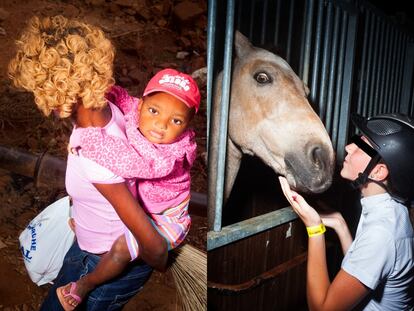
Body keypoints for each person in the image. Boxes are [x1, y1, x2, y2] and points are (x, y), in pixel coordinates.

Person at [8, 15, 168, 310]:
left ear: (56, 91)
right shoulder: (109, 108)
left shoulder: (94, 156)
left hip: (102, 264)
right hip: (88, 243)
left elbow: (156, 248)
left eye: (38, 89)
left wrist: (93, 278)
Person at [56, 68, 200, 309]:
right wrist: (96, 88)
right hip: (146, 205)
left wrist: (89, 138)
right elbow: (121, 96)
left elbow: (127, 161)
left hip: (166, 216)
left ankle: (86, 284)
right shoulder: (134, 108)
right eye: (154, 111)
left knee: (122, 248)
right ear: (142, 104)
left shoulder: (167, 156)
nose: (160, 125)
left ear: (186, 125)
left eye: (176, 121)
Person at [279, 113, 414, 310]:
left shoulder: (381, 233)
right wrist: (341, 225)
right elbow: (363, 263)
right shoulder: (389, 209)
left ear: (378, 172)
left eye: (363, 146)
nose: (349, 147)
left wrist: (314, 229)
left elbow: (321, 309)